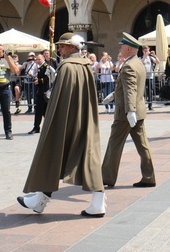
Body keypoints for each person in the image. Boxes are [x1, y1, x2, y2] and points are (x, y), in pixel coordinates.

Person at [17, 33, 106, 217]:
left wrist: (51, 116)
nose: (60, 50)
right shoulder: (85, 66)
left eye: (63, 46)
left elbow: (59, 99)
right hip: (84, 118)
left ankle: (39, 199)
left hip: (66, 119)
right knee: (89, 156)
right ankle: (97, 202)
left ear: (73, 47)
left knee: (52, 153)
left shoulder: (66, 67)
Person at [102, 33, 156, 188]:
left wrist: (130, 110)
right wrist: (114, 95)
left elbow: (131, 89)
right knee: (143, 145)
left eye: (122, 46)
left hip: (126, 112)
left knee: (114, 145)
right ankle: (149, 176)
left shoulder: (128, 66)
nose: (120, 48)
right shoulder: (137, 63)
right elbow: (128, 87)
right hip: (136, 110)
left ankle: (106, 177)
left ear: (128, 49)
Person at [29, 52, 55, 134]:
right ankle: (40, 127)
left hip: (44, 92)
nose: (38, 60)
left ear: (43, 59)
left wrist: (39, 81)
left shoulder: (46, 67)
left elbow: (47, 77)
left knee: (42, 110)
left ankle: (39, 127)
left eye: (39, 59)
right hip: (39, 92)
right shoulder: (38, 67)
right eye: (37, 59)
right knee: (42, 111)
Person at [140, 46, 158, 110]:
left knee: (150, 91)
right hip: (143, 77)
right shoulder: (140, 58)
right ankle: (142, 105)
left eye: (147, 50)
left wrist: (155, 55)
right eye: (145, 51)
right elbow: (140, 63)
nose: (147, 52)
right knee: (142, 91)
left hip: (150, 76)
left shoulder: (151, 58)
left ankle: (150, 105)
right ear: (143, 51)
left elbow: (157, 62)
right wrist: (145, 56)